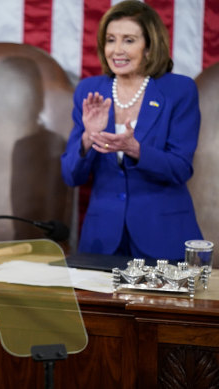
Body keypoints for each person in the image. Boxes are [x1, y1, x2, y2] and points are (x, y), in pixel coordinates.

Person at [61, 0, 202, 260]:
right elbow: (71, 176)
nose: (117, 50)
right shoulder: (90, 91)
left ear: (149, 46)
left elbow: (181, 168)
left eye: (128, 40)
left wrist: (136, 149)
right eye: (111, 40)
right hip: (102, 241)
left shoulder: (178, 91)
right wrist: (88, 138)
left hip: (162, 237)